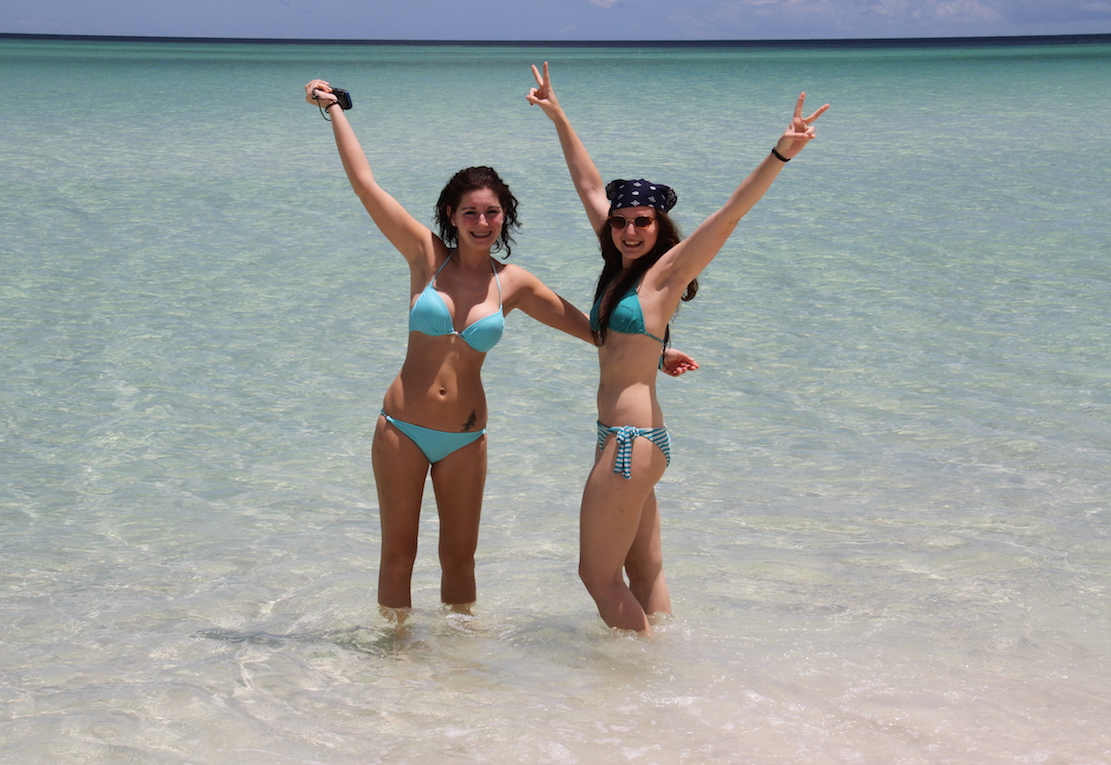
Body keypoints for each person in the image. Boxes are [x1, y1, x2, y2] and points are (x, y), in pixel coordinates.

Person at [304, 79, 697, 618]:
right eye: (470, 213)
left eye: (492, 213)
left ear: (503, 218)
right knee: (397, 555)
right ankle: (393, 667)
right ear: (450, 216)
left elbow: (599, 331)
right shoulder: (424, 255)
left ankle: (459, 666)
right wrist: (334, 109)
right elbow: (366, 184)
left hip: (466, 438)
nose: (482, 222)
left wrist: (658, 354)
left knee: (460, 560)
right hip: (401, 428)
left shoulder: (513, 283)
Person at [526, 62, 829, 633]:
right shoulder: (618, 266)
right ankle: (661, 688)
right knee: (644, 571)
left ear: (659, 225)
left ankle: (631, 681)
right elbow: (590, 186)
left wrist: (782, 153)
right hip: (624, 439)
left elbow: (731, 211)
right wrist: (557, 115)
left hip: (629, 443)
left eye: (642, 222)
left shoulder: (665, 273)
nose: (629, 231)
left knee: (597, 577)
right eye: (620, 223)